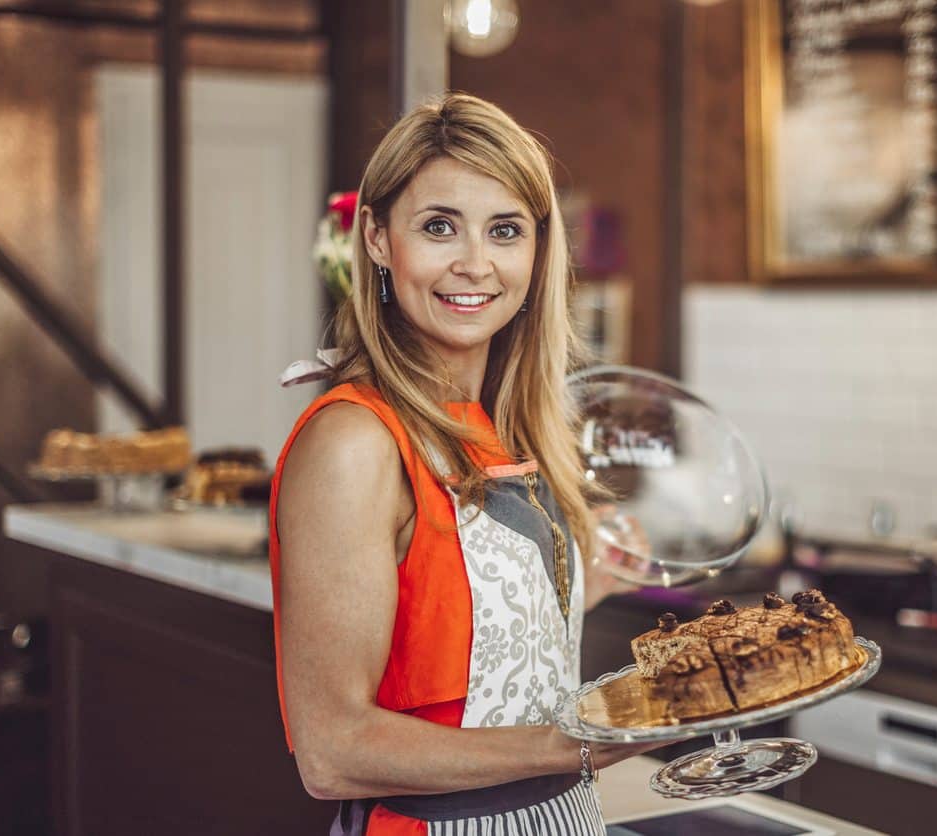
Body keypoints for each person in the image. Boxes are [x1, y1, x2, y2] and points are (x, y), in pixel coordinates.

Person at [269, 92, 653, 836]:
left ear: (538, 251)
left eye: (505, 230)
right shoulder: (355, 441)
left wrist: (579, 584)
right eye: (439, 226)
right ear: (378, 238)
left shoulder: (505, 426)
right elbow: (331, 750)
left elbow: (452, 633)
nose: (475, 263)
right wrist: (574, 743)